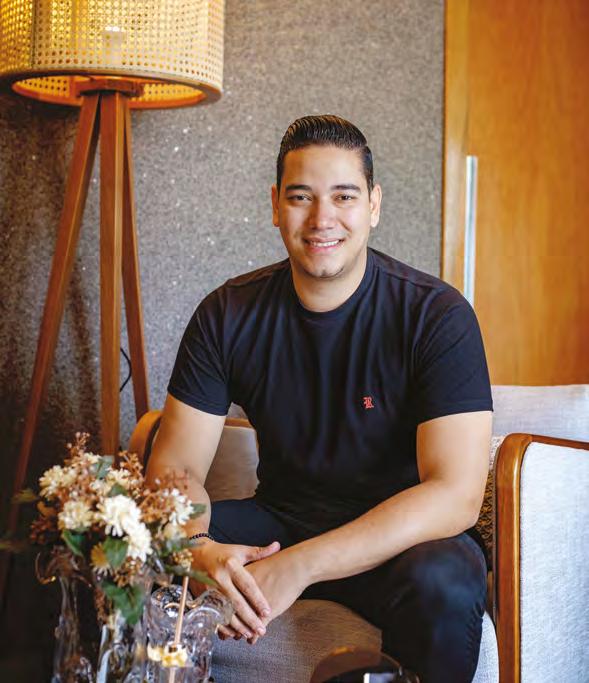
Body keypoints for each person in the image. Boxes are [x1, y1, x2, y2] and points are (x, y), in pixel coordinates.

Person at [145, 115, 492, 683]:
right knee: (128, 549)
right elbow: (175, 470)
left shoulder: (436, 315)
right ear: (275, 205)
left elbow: (455, 495)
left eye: (344, 196)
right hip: (280, 521)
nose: (321, 218)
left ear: (374, 206)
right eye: (301, 196)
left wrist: (298, 567)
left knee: (445, 578)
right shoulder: (226, 314)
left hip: (397, 540)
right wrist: (199, 548)